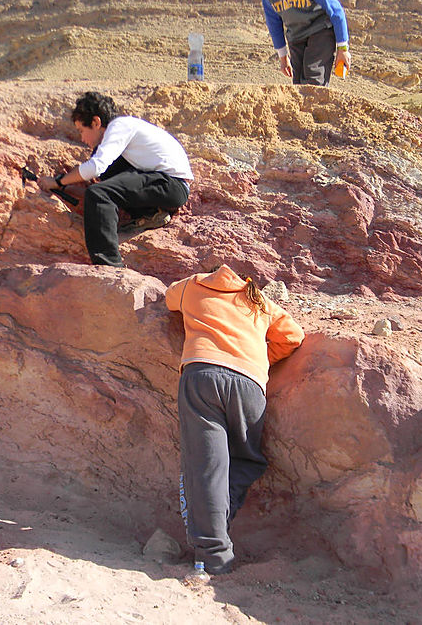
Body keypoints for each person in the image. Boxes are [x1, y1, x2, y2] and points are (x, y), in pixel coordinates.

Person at [165, 265, 305, 574]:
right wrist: (257, 356)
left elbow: (168, 298)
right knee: (247, 460)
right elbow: (294, 336)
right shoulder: (259, 300)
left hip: (202, 375)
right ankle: (218, 522)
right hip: (250, 384)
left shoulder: (193, 284)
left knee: (206, 467)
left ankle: (213, 556)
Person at [40, 91, 193, 267]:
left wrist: (58, 181)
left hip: (171, 185)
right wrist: (64, 190)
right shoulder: (124, 130)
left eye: (82, 130)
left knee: (98, 193)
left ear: (96, 122)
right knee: (105, 172)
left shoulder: (120, 126)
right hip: (164, 185)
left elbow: (95, 168)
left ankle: (109, 264)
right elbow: (103, 175)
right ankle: (152, 214)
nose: (82, 138)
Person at [255, 0, 351, 86]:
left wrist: (343, 49)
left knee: (313, 79)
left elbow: (336, 10)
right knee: (298, 84)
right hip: (296, 37)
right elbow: (274, 25)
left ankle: (317, 106)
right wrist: (283, 57)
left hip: (320, 31)